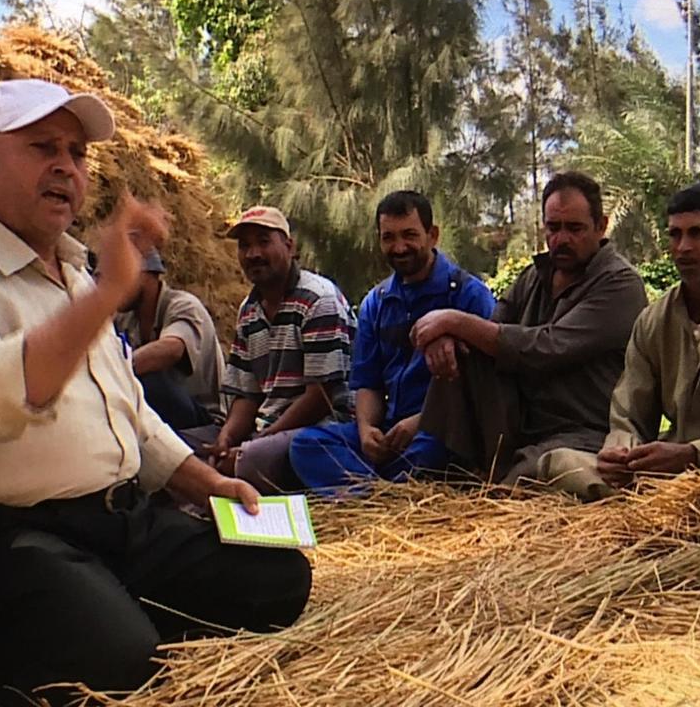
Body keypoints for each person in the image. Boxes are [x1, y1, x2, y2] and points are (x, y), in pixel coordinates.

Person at [0, 79, 311, 707]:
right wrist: (107, 294)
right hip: (0, 539)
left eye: (76, 153)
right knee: (116, 665)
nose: (65, 167)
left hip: (118, 523)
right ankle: (43, 638)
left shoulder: (74, 279)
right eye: (42, 146)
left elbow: (130, 410)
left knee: (278, 580)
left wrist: (209, 485)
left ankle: (92, 612)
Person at [537, 184, 700, 500]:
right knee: (559, 461)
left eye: (696, 234)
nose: (683, 247)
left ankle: (671, 497)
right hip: (667, 471)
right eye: (675, 235)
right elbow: (628, 413)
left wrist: (692, 454)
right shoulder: (653, 321)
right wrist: (621, 453)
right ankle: (665, 497)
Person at [411, 171, 648, 483]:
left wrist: (453, 320)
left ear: (601, 226)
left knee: (543, 474)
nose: (562, 239)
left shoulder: (620, 284)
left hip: (584, 430)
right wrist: (446, 337)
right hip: (521, 424)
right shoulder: (533, 277)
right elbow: (490, 331)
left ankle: (498, 477)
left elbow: (548, 347)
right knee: (464, 351)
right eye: (554, 228)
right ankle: (452, 462)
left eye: (575, 228)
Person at [289, 191, 496, 489]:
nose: (399, 247)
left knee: (432, 451)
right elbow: (367, 382)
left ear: (432, 235)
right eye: (389, 238)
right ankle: (381, 494)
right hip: (391, 431)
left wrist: (422, 421)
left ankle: (374, 492)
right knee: (306, 446)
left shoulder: (469, 295)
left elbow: (487, 387)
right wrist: (366, 430)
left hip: (442, 431)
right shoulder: (376, 302)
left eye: (409, 235)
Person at [195, 206, 357, 494]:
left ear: (289, 246)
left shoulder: (318, 299)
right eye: (245, 246)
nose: (253, 253)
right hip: (267, 429)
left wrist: (257, 442)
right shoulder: (249, 310)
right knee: (181, 450)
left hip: (320, 430)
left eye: (263, 241)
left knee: (250, 461)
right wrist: (227, 437)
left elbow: (321, 397)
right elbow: (248, 393)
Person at [113, 250, 225, 430]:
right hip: (162, 417)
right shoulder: (125, 319)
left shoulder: (183, 305)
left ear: (147, 275)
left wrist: (118, 370)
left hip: (205, 422)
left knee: (150, 380)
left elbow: (172, 349)